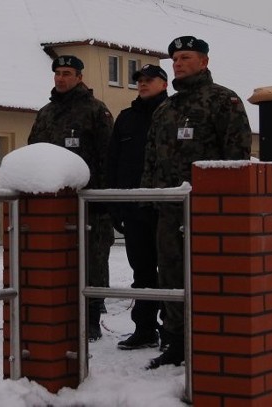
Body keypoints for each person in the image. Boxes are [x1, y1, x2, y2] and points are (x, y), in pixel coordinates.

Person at [141, 36, 251, 369]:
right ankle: (176, 342)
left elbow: (237, 156)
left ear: (204, 62)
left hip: (207, 213)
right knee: (171, 276)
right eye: (174, 58)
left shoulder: (223, 101)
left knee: (208, 274)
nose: (178, 63)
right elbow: (151, 158)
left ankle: (210, 340)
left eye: (186, 57)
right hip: (170, 210)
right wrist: (147, 199)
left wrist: (228, 205)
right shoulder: (166, 108)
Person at [28, 54, 114, 341]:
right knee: (58, 261)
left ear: (79, 77)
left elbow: (106, 158)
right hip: (53, 207)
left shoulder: (95, 111)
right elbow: (33, 154)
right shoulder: (45, 113)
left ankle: (91, 319)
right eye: (58, 73)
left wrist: (103, 202)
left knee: (91, 261)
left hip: (89, 204)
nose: (61, 78)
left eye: (67, 73)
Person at [105, 63, 169, 351]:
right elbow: (114, 163)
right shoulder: (126, 119)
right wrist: (116, 205)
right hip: (134, 209)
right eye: (140, 80)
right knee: (142, 273)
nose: (143, 84)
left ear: (164, 84)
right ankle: (144, 329)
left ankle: (173, 332)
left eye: (149, 80)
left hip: (167, 208)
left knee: (170, 272)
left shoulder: (173, 114)